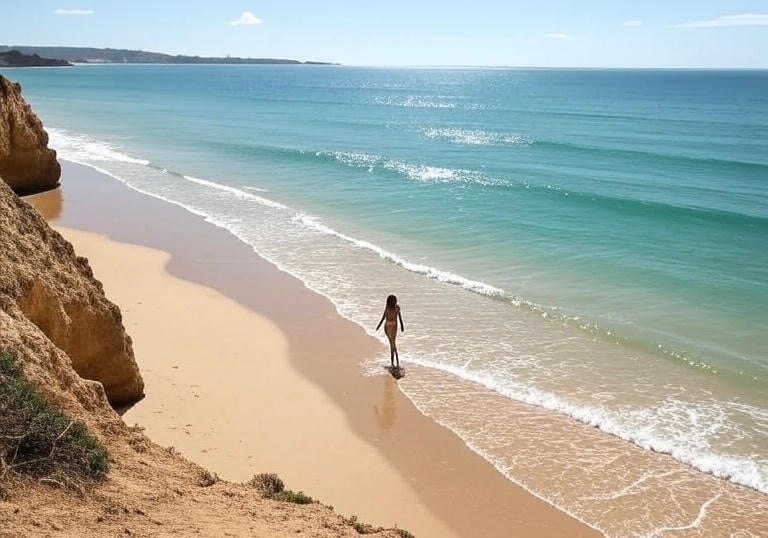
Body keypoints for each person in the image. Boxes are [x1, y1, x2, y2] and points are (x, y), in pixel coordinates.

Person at [376, 294, 405, 368]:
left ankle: (394, 361)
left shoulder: (389, 307)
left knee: (392, 343)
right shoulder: (396, 308)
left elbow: (384, 316)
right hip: (393, 325)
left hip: (388, 325)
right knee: (393, 343)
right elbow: (400, 318)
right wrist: (402, 326)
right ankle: (396, 361)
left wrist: (379, 326)